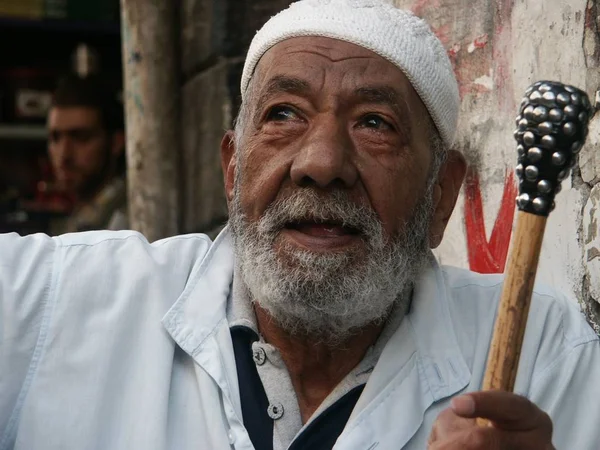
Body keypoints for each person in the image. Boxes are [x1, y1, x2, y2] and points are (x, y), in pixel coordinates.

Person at [1, 1, 599, 449]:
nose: (322, 164)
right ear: (233, 166)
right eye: (284, 114)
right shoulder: (57, 304)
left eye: (375, 123)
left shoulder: (545, 356)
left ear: (441, 196)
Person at [47, 72, 128, 232]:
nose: (64, 155)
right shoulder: (85, 213)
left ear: (116, 142)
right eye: (56, 138)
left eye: (81, 137)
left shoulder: (129, 216)